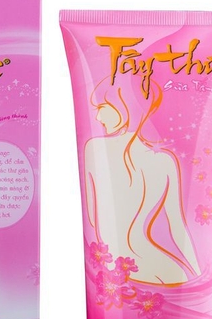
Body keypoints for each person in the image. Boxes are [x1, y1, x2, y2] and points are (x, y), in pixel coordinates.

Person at [84, 80, 200, 285]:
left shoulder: (95, 149)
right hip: (166, 271)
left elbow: (93, 221)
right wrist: (198, 276)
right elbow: (178, 228)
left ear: (123, 105)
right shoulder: (165, 161)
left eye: (102, 107)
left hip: (115, 272)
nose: (97, 117)